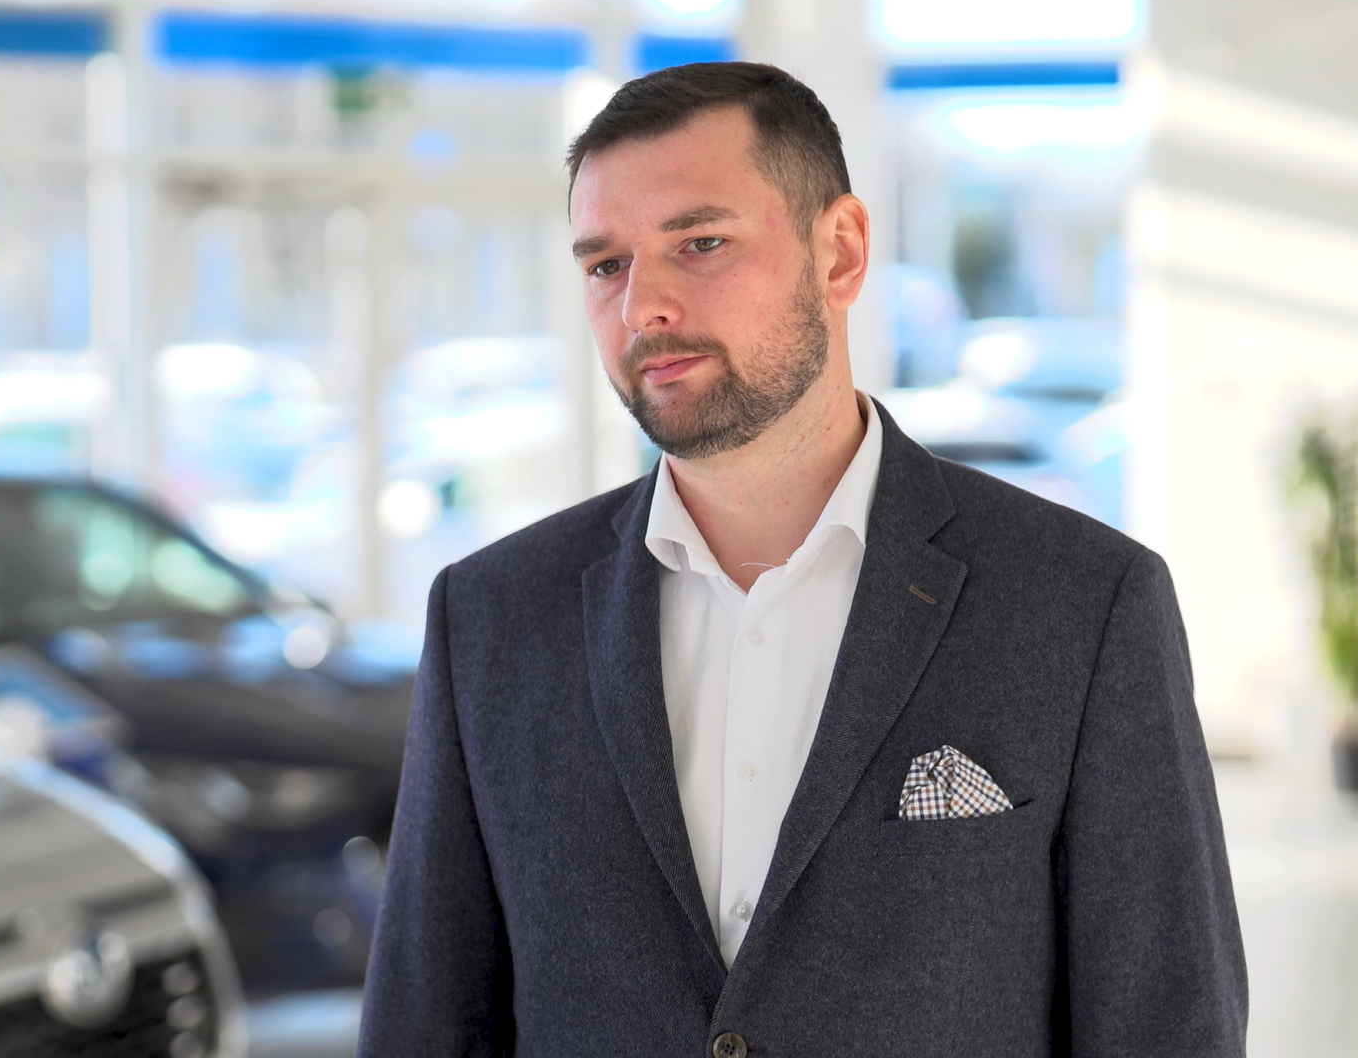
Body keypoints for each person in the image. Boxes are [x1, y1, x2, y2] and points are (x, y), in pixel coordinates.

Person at [358, 61, 1245, 1057]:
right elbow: (423, 1027)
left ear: (841, 253)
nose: (643, 306)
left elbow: (1167, 1026)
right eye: (606, 265)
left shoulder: (1081, 605)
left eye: (700, 244)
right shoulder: (491, 619)